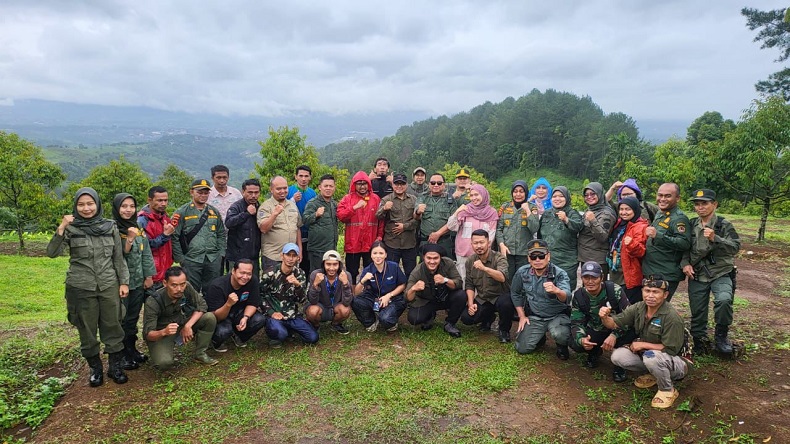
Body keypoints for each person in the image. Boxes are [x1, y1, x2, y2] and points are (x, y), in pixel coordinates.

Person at [47, 187, 131, 386]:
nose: (86, 208)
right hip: (80, 286)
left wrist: (124, 282)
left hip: (109, 284)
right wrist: (61, 227)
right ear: (76, 206)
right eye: (81, 204)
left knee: (113, 325)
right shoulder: (71, 227)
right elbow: (51, 252)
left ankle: (115, 367)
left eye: (90, 203)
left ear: (97, 204)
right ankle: (95, 369)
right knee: (87, 329)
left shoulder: (109, 226)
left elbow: (118, 258)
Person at [599, 275, 689, 409]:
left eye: (656, 292)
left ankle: (667, 389)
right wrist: (604, 317)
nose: (650, 295)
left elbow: (671, 349)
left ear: (665, 295)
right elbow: (614, 323)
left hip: (678, 362)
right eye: (647, 291)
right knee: (618, 357)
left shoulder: (671, 317)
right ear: (642, 292)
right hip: (654, 356)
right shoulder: (639, 307)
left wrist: (643, 345)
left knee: (650, 356)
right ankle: (655, 374)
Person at [681, 189, 741, 354]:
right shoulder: (691, 224)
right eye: (697, 204)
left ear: (714, 204)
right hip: (698, 274)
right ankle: (700, 340)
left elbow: (735, 247)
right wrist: (685, 263)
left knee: (723, 300)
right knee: (698, 309)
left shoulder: (723, 224)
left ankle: (721, 336)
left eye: (704, 203)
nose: (700, 207)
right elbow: (684, 247)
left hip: (720, 272)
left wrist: (716, 239)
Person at [111, 193, 156, 370]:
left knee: (132, 318)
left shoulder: (138, 227)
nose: (128, 210)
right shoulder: (112, 229)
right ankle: (120, 355)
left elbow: (146, 252)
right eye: (124, 206)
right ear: (116, 208)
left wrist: (149, 276)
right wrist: (129, 239)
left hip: (138, 282)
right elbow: (118, 256)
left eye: (131, 206)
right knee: (120, 319)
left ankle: (131, 349)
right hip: (120, 283)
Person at [143, 266, 219, 369]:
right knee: (164, 363)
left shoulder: (186, 287)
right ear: (165, 283)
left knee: (209, 317)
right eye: (174, 285)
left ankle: (200, 354)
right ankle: (163, 349)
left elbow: (202, 305)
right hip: (162, 333)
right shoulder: (153, 301)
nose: (179, 289)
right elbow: (148, 334)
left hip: (181, 323)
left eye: (182, 284)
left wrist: (188, 325)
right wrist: (164, 332)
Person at [570, 262, 633, 381]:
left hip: (617, 328)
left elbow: (629, 317)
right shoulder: (579, 295)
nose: (590, 281)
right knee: (575, 343)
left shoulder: (615, 290)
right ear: (582, 278)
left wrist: (615, 335)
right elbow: (576, 322)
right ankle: (594, 351)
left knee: (630, 334)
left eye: (594, 277)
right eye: (586, 277)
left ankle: (620, 365)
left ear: (601, 277)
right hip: (596, 329)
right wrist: (582, 339)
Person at [511, 239, 572, 359]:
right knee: (522, 348)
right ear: (529, 258)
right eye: (533, 257)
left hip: (557, 315)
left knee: (559, 334)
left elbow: (567, 296)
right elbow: (515, 293)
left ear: (548, 256)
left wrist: (557, 291)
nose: (537, 260)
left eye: (541, 256)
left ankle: (562, 346)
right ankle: (540, 336)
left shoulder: (559, 273)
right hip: (535, 316)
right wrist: (522, 316)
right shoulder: (522, 272)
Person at [461, 229, 516, 343]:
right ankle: (488, 318)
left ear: (489, 243)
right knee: (467, 318)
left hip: (500, 297)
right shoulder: (470, 261)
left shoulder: (499, 258)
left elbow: (502, 277)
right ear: (471, 244)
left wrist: (484, 268)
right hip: (483, 298)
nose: (479, 246)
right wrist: (471, 303)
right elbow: (470, 284)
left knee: (506, 303)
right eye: (475, 243)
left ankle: (504, 330)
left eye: (482, 242)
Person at [172, 179, 226, 293]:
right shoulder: (182, 212)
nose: (203, 195)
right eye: (199, 192)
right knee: (191, 291)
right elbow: (174, 236)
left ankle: (210, 311)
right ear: (192, 192)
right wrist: (181, 258)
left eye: (206, 192)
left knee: (213, 290)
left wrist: (221, 254)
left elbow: (221, 233)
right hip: (192, 259)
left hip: (212, 259)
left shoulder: (213, 212)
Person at [260, 243, 318, 346]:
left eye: (294, 255)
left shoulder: (300, 274)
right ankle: (275, 331)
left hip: (292, 315)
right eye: (288, 255)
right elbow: (259, 295)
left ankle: (289, 329)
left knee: (313, 337)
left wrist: (297, 285)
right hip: (275, 315)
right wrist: (271, 312)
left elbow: (302, 300)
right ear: (282, 256)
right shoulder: (270, 273)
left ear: (297, 258)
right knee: (281, 334)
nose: (291, 259)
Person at [642, 183, 691, 300]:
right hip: (651, 269)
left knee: (657, 307)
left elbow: (684, 243)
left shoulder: (679, 218)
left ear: (677, 198)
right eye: (660, 195)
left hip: (665, 273)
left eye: (668, 196)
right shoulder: (660, 213)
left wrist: (658, 236)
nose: (662, 199)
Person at [204, 259, 266, 351]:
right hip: (222, 317)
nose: (245, 277)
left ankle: (239, 336)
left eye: (249, 274)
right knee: (223, 331)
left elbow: (253, 303)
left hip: (239, 312)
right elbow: (216, 317)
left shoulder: (253, 281)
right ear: (233, 271)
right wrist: (228, 304)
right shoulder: (217, 286)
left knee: (259, 319)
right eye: (242, 273)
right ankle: (216, 341)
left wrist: (245, 317)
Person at [405, 244, 466, 337]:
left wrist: (445, 280)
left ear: (440, 258)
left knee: (461, 295)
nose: (432, 261)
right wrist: (414, 288)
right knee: (414, 318)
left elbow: (458, 283)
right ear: (423, 258)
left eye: (435, 258)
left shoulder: (448, 263)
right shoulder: (417, 271)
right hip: (426, 301)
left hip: (445, 297)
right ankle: (429, 317)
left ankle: (450, 323)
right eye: (429, 258)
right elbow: (407, 297)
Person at [337, 171, 383, 284]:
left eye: (364, 183)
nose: (362, 186)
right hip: (353, 244)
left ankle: (369, 294)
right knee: (351, 272)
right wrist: (354, 207)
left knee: (371, 271)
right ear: (354, 185)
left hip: (370, 243)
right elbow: (340, 216)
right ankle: (351, 295)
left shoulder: (376, 199)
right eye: (359, 183)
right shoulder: (347, 199)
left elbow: (381, 219)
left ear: (369, 184)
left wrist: (380, 236)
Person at [352, 241, 408, 332]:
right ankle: (371, 322)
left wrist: (389, 295)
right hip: (374, 298)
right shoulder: (368, 270)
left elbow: (402, 285)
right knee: (356, 301)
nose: (378, 256)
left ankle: (389, 319)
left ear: (386, 255)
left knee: (386, 320)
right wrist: (363, 280)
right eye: (375, 253)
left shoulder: (394, 267)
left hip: (392, 298)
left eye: (381, 253)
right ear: (371, 255)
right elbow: (356, 293)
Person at [447, 184, 499, 281]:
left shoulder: (491, 213)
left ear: (483, 195)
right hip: (463, 252)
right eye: (471, 195)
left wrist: (483, 249)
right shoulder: (465, 210)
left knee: (481, 279)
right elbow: (451, 226)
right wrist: (457, 211)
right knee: (463, 278)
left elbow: (491, 235)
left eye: (477, 195)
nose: (474, 198)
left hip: (482, 253)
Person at [536, 186, 583, 290]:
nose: (557, 199)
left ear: (567, 198)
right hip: (548, 260)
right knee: (548, 289)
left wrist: (566, 220)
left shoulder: (572, 213)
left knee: (565, 289)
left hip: (567, 261)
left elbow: (579, 226)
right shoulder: (546, 213)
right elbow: (540, 235)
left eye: (561, 196)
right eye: (554, 196)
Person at [376, 173, 419, 277]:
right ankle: (392, 293)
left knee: (411, 272)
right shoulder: (386, 199)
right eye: (396, 184)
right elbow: (377, 216)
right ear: (392, 185)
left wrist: (405, 227)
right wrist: (384, 209)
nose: (399, 186)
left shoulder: (414, 199)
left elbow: (418, 220)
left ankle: (409, 292)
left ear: (406, 185)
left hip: (409, 243)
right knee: (390, 272)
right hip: (392, 243)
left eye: (402, 184)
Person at [608, 196, 649, 303]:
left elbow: (641, 252)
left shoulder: (640, 227)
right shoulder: (619, 224)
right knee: (616, 301)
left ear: (635, 210)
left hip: (629, 273)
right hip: (616, 269)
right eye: (621, 209)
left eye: (628, 209)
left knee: (628, 304)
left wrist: (631, 243)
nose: (624, 212)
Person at [258, 176, 302, 273]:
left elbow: (297, 227)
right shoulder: (265, 207)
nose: (282, 191)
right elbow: (263, 229)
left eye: (285, 188)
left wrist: (300, 250)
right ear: (271, 189)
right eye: (278, 189)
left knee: (291, 285)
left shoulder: (292, 205)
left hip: (291, 256)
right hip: (273, 257)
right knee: (272, 286)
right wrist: (274, 214)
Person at [497, 180, 539, 280]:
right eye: (515, 191)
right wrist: (501, 245)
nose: (518, 194)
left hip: (524, 253)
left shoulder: (532, 208)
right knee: (507, 280)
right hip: (507, 252)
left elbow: (534, 228)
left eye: (521, 191)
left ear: (526, 193)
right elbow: (499, 229)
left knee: (523, 280)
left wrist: (527, 210)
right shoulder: (505, 207)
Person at [305, 250, 354, 334]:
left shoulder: (346, 275)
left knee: (345, 310)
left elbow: (347, 302)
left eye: (335, 264)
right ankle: (315, 325)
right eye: (328, 264)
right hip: (320, 307)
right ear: (323, 264)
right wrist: (315, 285)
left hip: (336, 307)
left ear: (339, 265)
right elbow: (312, 301)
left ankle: (335, 324)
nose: (331, 268)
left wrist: (346, 284)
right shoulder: (315, 274)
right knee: (312, 311)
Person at [137, 186, 174, 286]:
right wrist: (165, 235)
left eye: (166, 200)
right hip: (151, 274)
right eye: (160, 200)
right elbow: (146, 246)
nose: (164, 204)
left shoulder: (164, 216)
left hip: (165, 272)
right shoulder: (142, 220)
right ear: (150, 200)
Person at [225, 178, 262, 278]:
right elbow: (229, 223)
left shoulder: (260, 208)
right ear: (243, 192)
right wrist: (246, 214)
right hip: (236, 257)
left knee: (253, 284)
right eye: (250, 192)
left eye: (256, 192)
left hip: (253, 257)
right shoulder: (236, 207)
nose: (253, 195)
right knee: (235, 284)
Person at [577, 182, 617, 277]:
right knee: (587, 288)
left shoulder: (606, 213)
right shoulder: (592, 209)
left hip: (597, 259)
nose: (589, 197)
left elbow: (603, 237)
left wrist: (593, 220)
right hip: (585, 256)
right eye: (586, 195)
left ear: (599, 194)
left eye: (593, 194)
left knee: (596, 287)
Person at [415, 173, 457, 257]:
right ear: (429, 184)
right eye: (433, 183)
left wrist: (438, 234)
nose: (436, 185)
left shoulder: (450, 199)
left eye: (439, 183)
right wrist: (417, 212)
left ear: (444, 185)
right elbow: (415, 217)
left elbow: (454, 221)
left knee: (445, 266)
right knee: (426, 267)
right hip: (426, 240)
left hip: (444, 241)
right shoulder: (422, 197)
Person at [303, 174, 339, 272]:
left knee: (330, 275)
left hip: (331, 247)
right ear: (320, 187)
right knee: (317, 275)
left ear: (334, 187)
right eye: (325, 186)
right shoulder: (313, 203)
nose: (328, 188)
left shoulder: (334, 204)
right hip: (317, 250)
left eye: (331, 186)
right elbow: (305, 220)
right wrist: (316, 214)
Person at [287, 165, 317, 274]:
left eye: (306, 176)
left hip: (309, 235)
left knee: (307, 264)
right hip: (292, 234)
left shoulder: (312, 193)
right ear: (295, 177)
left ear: (310, 177)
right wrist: (292, 200)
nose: (303, 179)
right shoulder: (289, 191)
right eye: (300, 176)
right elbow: (282, 208)